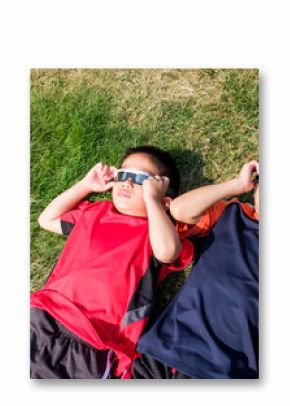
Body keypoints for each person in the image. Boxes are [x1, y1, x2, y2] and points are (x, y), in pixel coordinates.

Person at [30, 146, 194, 379]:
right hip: (43, 314)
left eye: (141, 180)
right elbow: (47, 219)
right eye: (123, 175)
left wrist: (153, 202)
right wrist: (86, 186)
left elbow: (168, 252)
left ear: (163, 198)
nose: (127, 183)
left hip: (96, 341)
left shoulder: (156, 233)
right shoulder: (94, 213)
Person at [133, 161, 259, 379]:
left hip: (226, 372)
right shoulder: (234, 214)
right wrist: (237, 185)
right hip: (167, 349)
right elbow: (180, 210)